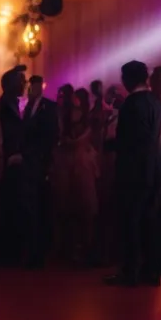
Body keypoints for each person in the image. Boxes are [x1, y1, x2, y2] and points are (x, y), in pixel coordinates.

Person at [106, 60, 161, 287]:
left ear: (129, 79)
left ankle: (129, 272)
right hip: (153, 168)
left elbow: (129, 140)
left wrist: (110, 144)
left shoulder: (131, 104)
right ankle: (151, 271)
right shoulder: (156, 102)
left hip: (132, 170)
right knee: (149, 221)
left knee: (130, 222)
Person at [53, 86, 102, 266]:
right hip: (71, 166)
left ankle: (83, 249)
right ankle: (73, 248)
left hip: (80, 166)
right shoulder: (67, 121)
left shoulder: (89, 122)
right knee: (70, 207)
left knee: (84, 209)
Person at [0, 68, 30, 266]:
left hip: (18, 165)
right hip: (4, 166)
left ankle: (11, 253)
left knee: (15, 211)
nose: (25, 84)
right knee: (6, 212)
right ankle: (7, 253)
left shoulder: (20, 107)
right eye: (21, 81)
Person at [19, 74, 59, 269]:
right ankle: (32, 251)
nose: (33, 89)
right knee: (30, 208)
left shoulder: (49, 107)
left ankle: (39, 253)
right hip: (29, 162)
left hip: (40, 162)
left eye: (36, 86)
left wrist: (42, 158)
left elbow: (51, 134)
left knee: (39, 207)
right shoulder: (28, 107)